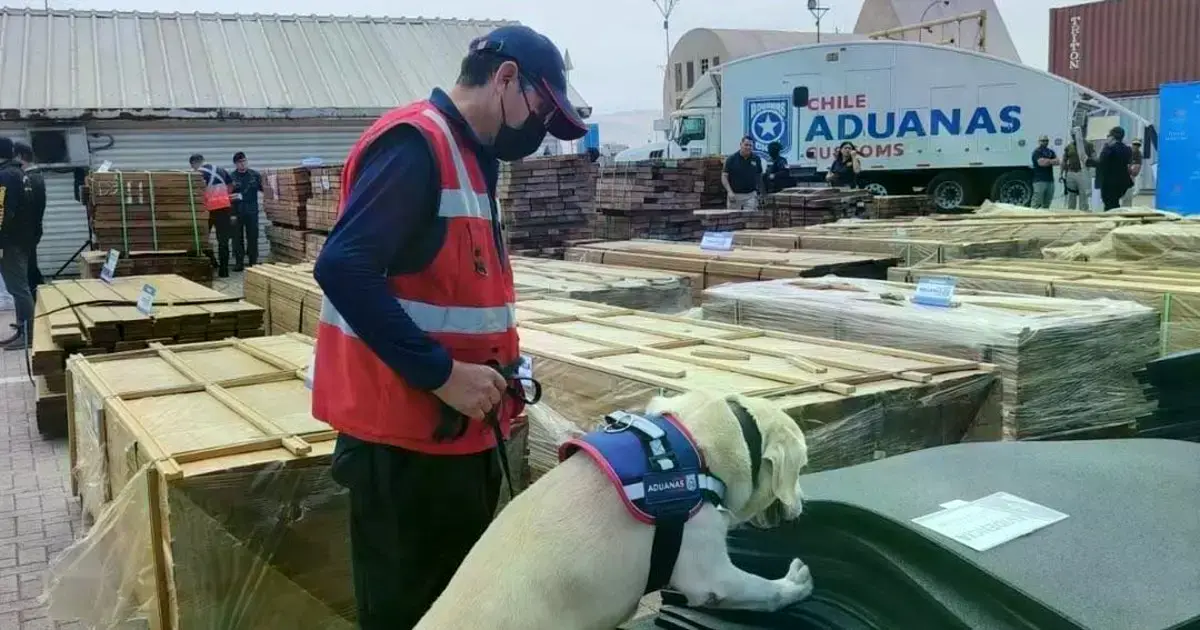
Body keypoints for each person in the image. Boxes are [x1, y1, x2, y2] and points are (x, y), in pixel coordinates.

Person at [309, 24, 586, 630]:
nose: (538, 132)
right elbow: (342, 266)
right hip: (405, 450)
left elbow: (456, 290)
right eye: (540, 113)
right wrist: (442, 374)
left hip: (455, 438)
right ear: (505, 78)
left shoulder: (472, 158)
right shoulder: (416, 144)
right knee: (411, 614)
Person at [0, 138, 31, 350]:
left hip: (9, 242)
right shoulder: (19, 173)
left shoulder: (6, 175)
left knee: (18, 288)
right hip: (20, 239)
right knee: (19, 287)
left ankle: (29, 335)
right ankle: (23, 328)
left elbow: (3, 211)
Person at [189, 153, 235, 277]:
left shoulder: (197, 174)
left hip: (207, 211)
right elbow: (230, 186)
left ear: (194, 164)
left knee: (202, 239)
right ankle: (224, 271)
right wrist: (223, 197)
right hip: (224, 209)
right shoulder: (221, 170)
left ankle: (212, 264)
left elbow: (196, 193)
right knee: (223, 241)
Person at [13, 143, 44, 305]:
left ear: (19, 156)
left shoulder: (30, 178)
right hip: (31, 232)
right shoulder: (33, 177)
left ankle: (38, 307)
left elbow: (29, 209)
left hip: (26, 234)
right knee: (30, 271)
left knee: (28, 273)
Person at [229, 152, 263, 270]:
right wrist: (231, 215)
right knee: (237, 238)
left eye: (244, 161)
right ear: (235, 164)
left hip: (252, 211)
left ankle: (253, 261)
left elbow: (264, 189)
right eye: (239, 162)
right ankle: (239, 263)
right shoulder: (231, 177)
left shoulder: (255, 175)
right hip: (237, 212)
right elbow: (228, 197)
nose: (242, 164)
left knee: (253, 236)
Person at [1095, 126, 1133, 211]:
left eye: (1108, 135)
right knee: (1115, 204)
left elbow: (1101, 162)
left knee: (1109, 207)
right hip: (1122, 183)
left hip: (1109, 184)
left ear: (1113, 137)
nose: (1107, 137)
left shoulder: (1109, 149)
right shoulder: (1127, 149)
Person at [722, 135, 762, 209]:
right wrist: (729, 192)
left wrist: (759, 192)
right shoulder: (731, 159)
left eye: (750, 145)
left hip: (751, 195)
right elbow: (724, 177)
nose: (748, 147)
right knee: (733, 219)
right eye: (746, 145)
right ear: (741, 144)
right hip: (735, 195)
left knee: (750, 218)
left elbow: (759, 176)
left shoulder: (756, 159)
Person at [1061, 132, 1094, 211]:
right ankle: (1071, 213)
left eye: (1075, 135)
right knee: (1071, 196)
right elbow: (1064, 160)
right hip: (1071, 173)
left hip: (1082, 173)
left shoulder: (1088, 145)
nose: (1074, 137)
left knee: (1083, 195)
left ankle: (1084, 213)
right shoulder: (1069, 146)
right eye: (1072, 136)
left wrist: (1090, 167)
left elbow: (1094, 157)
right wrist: (1061, 174)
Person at [1029, 134, 1058, 209]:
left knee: (1047, 201)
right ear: (1039, 142)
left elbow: (1058, 162)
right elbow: (1041, 163)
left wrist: (1047, 161)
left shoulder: (1050, 151)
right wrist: (1051, 161)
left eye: (1046, 140)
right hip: (1039, 180)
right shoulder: (1036, 152)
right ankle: (1032, 216)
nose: (1045, 142)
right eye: (1043, 141)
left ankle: (1044, 217)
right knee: (1037, 201)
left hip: (1050, 180)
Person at [1121, 138, 1143, 207]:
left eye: (1138, 145)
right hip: (1120, 177)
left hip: (1129, 178)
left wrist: (1128, 169)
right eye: (1134, 144)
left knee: (1127, 198)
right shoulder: (1126, 151)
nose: (1136, 146)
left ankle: (1126, 212)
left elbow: (1135, 171)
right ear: (1132, 144)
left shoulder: (1139, 154)